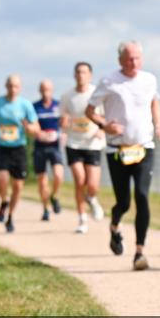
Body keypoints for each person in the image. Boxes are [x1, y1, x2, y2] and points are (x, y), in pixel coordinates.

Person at [86, 41, 160, 270]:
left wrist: (159, 124)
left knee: (142, 195)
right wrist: (104, 125)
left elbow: (154, 101)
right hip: (117, 149)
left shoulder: (149, 79)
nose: (134, 62)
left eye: (137, 58)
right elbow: (89, 110)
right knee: (123, 202)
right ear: (120, 60)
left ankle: (139, 252)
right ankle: (114, 225)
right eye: (129, 58)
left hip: (144, 146)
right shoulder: (108, 81)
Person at [0, 74, 39, 233]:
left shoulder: (25, 105)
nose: (13, 89)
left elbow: (36, 128)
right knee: (2, 178)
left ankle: (10, 216)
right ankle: (4, 200)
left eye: (16, 86)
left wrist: (29, 128)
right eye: (10, 86)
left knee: (18, 186)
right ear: (6, 86)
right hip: (0, 146)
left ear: (20, 88)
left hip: (18, 148)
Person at [60, 62, 106, 234]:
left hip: (93, 143)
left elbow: (105, 116)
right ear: (74, 75)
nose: (81, 75)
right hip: (74, 143)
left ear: (90, 75)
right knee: (79, 180)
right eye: (78, 72)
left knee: (92, 184)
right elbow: (63, 118)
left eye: (84, 72)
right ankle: (82, 219)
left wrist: (102, 130)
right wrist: (64, 123)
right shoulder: (67, 96)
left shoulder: (96, 94)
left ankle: (92, 199)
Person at [33, 79, 65, 222]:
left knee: (58, 175)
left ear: (52, 90)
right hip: (40, 146)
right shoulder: (35, 107)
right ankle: (45, 208)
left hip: (54, 146)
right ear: (40, 91)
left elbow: (64, 123)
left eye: (48, 90)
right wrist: (38, 133)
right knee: (42, 181)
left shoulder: (58, 106)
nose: (46, 92)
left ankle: (54, 196)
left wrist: (63, 134)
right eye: (43, 90)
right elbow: (30, 125)